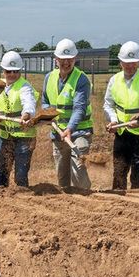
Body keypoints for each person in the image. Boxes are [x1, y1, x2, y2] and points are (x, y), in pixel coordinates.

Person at [103, 41, 139, 191]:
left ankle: (137, 198)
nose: (130, 66)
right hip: (123, 132)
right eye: (126, 62)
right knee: (119, 170)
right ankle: (118, 197)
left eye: (133, 62)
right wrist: (113, 121)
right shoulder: (114, 80)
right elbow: (108, 104)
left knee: (138, 171)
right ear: (120, 62)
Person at [41, 38, 93, 189]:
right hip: (58, 132)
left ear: (75, 59)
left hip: (79, 131)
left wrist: (69, 129)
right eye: (62, 59)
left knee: (78, 172)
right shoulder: (49, 78)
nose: (66, 62)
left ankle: (86, 196)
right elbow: (45, 101)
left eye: (70, 59)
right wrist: (47, 115)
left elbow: (79, 108)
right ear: (56, 59)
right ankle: (67, 200)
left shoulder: (81, 80)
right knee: (62, 175)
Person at [0, 51, 37, 187]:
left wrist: (26, 114)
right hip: (5, 136)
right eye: (8, 71)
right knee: (2, 172)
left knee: (20, 174)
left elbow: (29, 103)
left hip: (24, 137)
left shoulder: (25, 86)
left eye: (15, 71)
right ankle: (0, 195)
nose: (12, 74)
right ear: (3, 70)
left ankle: (22, 196)